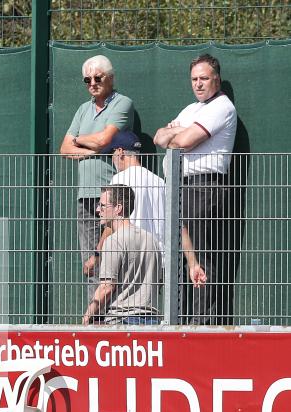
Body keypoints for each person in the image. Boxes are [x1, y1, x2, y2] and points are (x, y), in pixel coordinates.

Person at [154, 53, 237, 325]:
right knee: (183, 261)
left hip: (204, 189)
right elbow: (159, 137)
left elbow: (184, 141)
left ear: (217, 79)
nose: (198, 84)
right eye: (194, 79)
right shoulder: (191, 110)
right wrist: (177, 134)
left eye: (204, 78)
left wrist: (178, 134)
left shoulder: (222, 107)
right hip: (179, 188)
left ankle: (205, 330)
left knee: (203, 262)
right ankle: (182, 326)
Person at [59, 55, 134, 301]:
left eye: (97, 77)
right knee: (90, 262)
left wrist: (80, 139)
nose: (92, 83)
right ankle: (96, 319)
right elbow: (64, 149)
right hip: (85, 197)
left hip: (112, 194)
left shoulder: (122, 103)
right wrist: (93, 147)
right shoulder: (83, 109)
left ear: (110, 78)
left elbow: (104, 140)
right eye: (87, 79)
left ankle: (115, 316)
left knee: (111, 256)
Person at [96, 131, 207, 290]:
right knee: (149, 310)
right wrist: (193, 264)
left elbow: (111, 222)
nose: (113, 159)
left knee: (123, 310)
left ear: (120, 152)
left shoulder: (119, 180)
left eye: (112, 154)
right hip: (158, 262)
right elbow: (179, 227)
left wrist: (98, 253)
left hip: (130, 260)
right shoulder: (160, 182)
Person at [82, 185, 204, 325]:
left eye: (102, 206)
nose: (98, 210)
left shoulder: (113, 241)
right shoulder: (151, 241)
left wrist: (88, 314)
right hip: (151, 321)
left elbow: (106, 287)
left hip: (122, 321)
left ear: (118, 208)